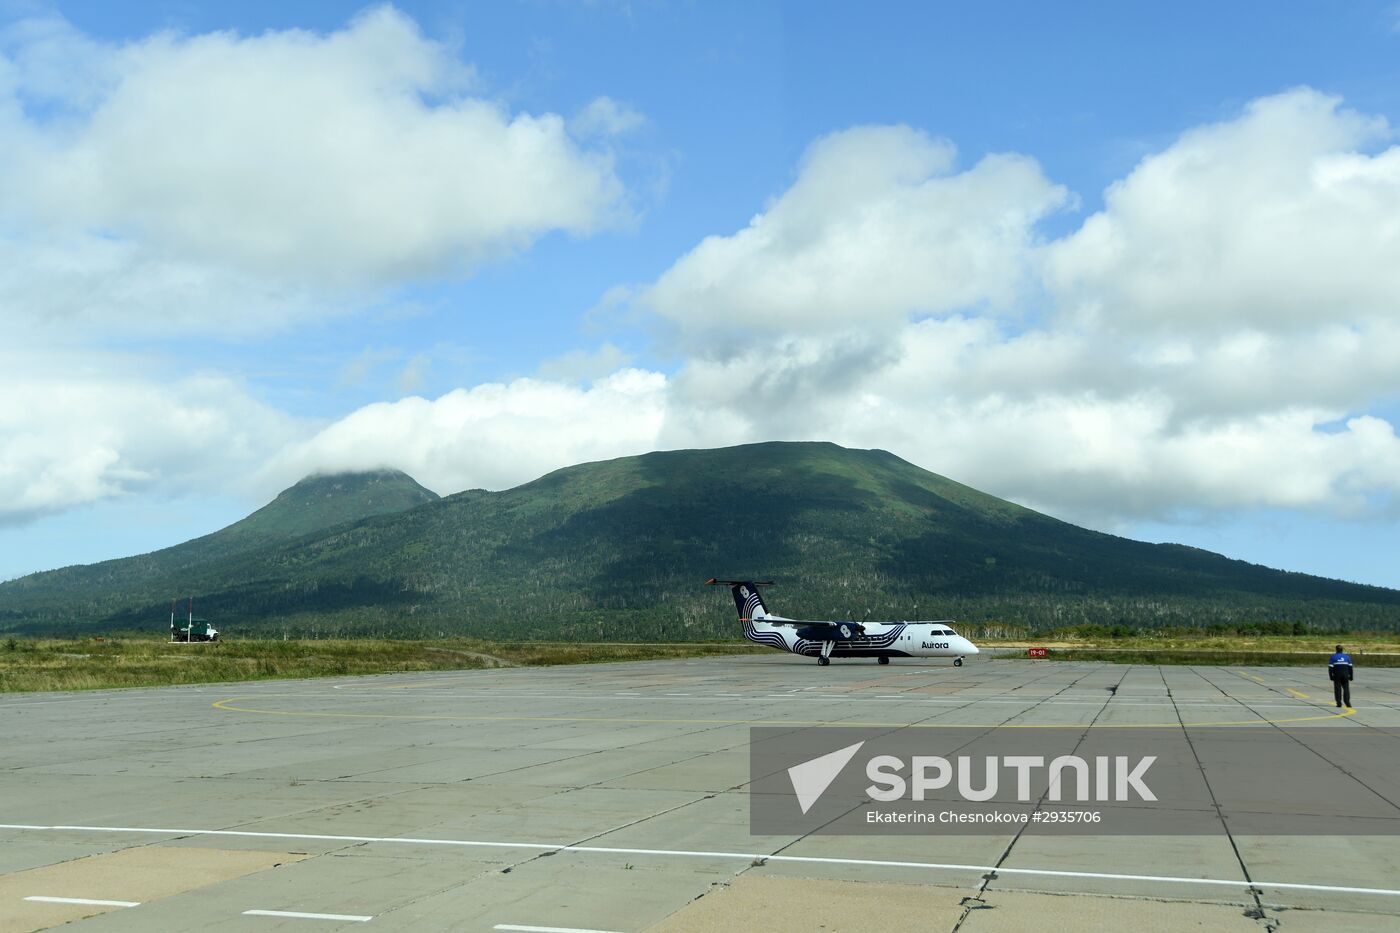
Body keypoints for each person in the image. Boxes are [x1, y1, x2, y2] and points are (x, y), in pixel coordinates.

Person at [1328, 644, 1354, 709]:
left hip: (1337, 675)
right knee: (1346, 689)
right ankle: (1347, 703)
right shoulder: (1347, 657)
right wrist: (1351, 676)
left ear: (1336, 649)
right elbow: (1350, 667)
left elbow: (1330, 668)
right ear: (1342, 650)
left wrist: (1331, 676)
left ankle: (1339, 703)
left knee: (1337, 689)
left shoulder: (1333, 657)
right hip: (1345, 675)